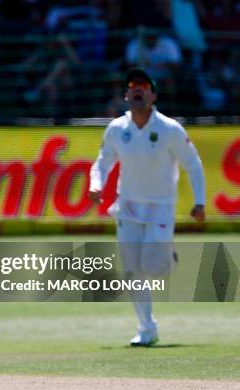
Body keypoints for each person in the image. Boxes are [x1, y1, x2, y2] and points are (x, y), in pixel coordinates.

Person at [89, 67, 206, 347]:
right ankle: (146, 328)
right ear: (127, 94)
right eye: (133, 86)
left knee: (153, 266)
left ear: (153, 94)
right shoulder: (117, 128)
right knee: (132, 270)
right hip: (128, 206)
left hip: (160, 207)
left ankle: (167, 259)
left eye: (143, 86)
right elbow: (103, 161)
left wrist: (200, 201)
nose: (137, 89)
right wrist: (97, 184)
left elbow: (193, 164)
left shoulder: (169, 129)